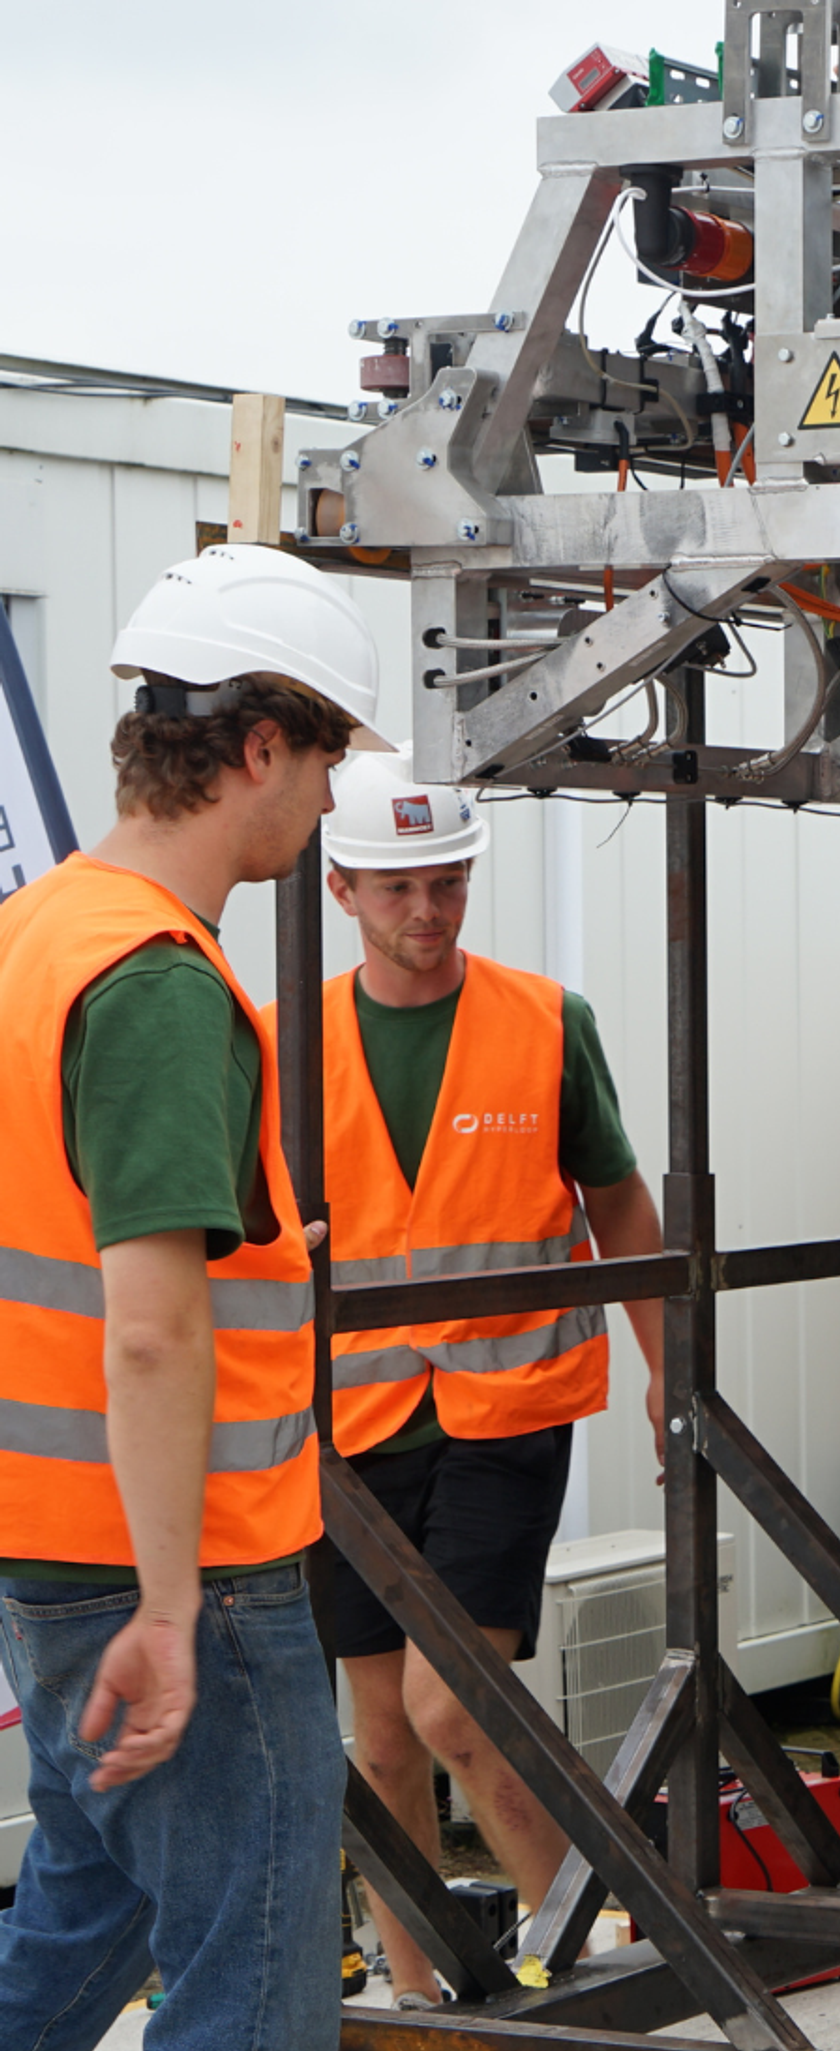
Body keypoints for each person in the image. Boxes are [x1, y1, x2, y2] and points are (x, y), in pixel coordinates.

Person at [0, 546, 392, 2049]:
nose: (325, 803)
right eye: (328, 760)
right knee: (257, 1970)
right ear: (259, 746)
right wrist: (172, 1607)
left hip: (54, 1555)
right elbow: (155, 1324)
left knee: (85, 1910)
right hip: (182, 1577)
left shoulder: (42, 930)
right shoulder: (156, 979)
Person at [293, 748, 668, 2009]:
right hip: (346, 1424)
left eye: (447, 881)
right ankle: (418, 1999)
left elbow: (617, 1198)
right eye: (399, 886)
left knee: (456, 1710)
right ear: (341, 886)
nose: (428, 910)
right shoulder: (285, 1042)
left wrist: (672, 1372)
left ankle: (585, 1967)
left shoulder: (546, 1021)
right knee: (384, 1735)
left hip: (506, 1409)